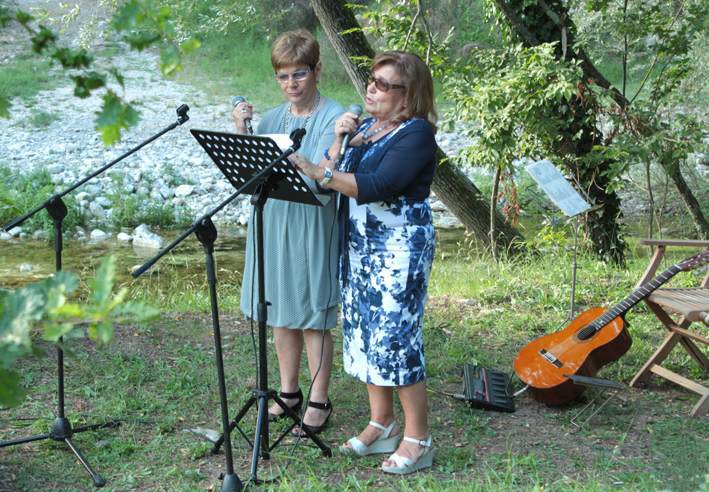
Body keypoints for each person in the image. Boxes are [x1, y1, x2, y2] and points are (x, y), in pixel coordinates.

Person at [291, 51, 438, 474]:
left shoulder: (417, 134)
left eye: (383, 84)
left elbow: (378, 185)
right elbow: (331, 176)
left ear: (408, 97)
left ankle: (418, 438)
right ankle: (382, 422)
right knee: (365, 332)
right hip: (360, 248)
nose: (370, 89)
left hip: (398, 250)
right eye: (371, 80)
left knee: (396, 338)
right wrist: (337, 141)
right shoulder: (368, 127)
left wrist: (317, 172)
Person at [232, 29, 344, 434]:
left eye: (299, 74)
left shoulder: (335, 116)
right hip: (274, 220)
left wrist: (306, 162)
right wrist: (243, 131)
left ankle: (319, 400)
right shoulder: (272, 119)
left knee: (313, 314)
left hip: (312, 224)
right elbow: (249, 178)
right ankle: (289, 392)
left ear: (317, 70)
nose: (291, 84)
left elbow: (329, 178)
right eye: (283, 77)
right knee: (278, 308)